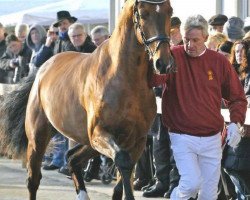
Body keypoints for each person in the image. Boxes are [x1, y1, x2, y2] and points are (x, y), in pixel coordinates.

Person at [150, 14, 247, 200]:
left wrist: (236, 122)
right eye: (186, 40)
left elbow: (237, 97)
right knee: (191, 184)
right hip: (181, 135)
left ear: (205, 37)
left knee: (209, 193)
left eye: (195, 40)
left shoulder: (219, 62)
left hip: (212, 138)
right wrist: (155, 57)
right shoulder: (173, 55)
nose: (190, 45)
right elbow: (153, 80)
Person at [223, 38, 250, 200]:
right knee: (230, 167)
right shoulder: (232, 73)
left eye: (242, 51)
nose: (239, 54)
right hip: (231, 127)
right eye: (236, 51)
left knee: (235, 166)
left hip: (245, 131)